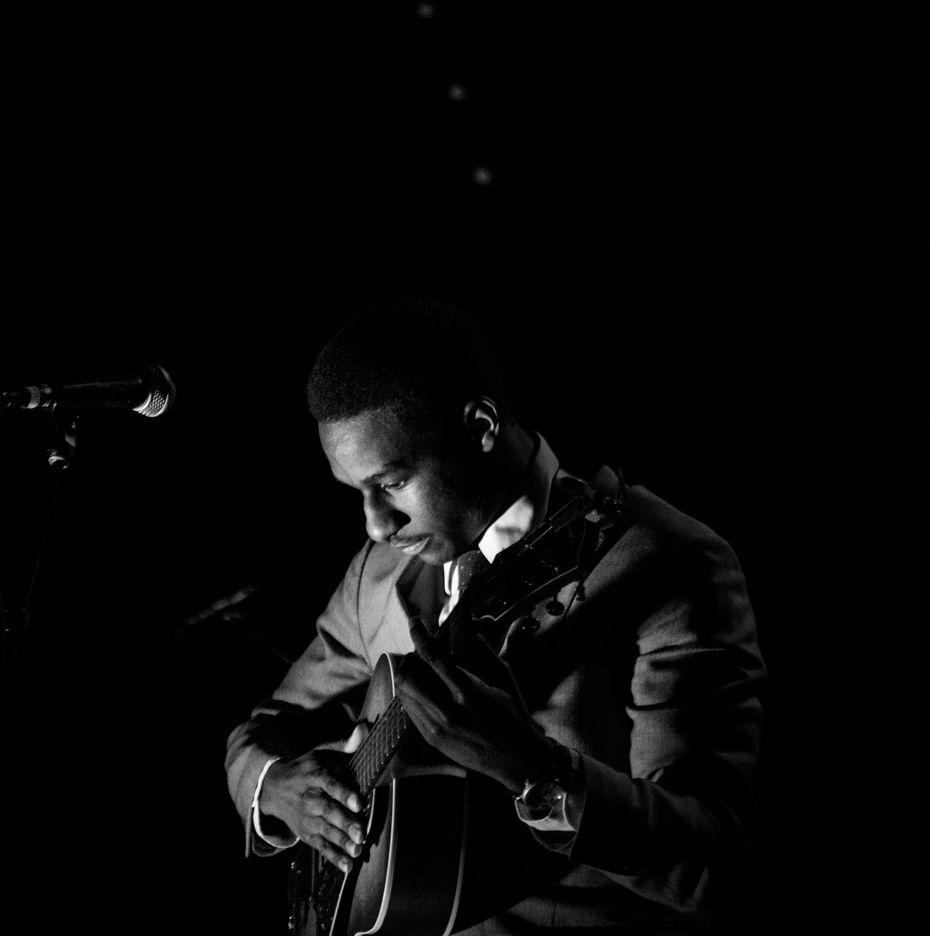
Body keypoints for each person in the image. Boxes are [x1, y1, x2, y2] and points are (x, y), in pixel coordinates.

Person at [225, 299, 764, 934]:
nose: (374, 524)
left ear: (480, 426)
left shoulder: (671, 563)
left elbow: (713, 863)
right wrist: (275, 785)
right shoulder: (377, 572)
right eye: (356, 492)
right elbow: (265, 728)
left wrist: (529, 767)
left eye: (392, 483)